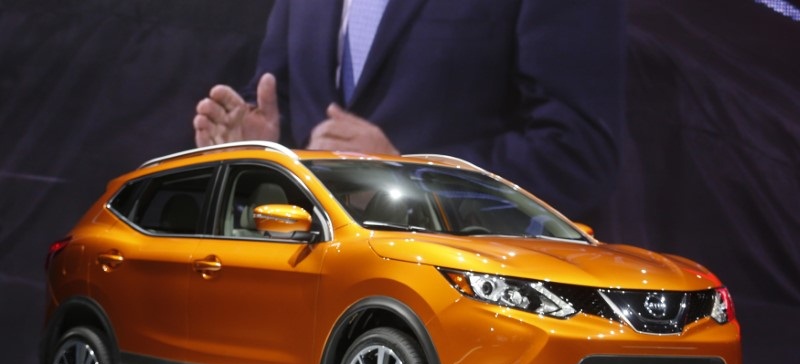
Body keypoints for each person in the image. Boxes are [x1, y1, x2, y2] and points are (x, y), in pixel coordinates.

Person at [194, 0, 625, 220]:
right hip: (310, 288)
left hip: (469, 307)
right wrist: (261, 143)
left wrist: (411, 180)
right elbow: (280, 95)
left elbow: (578, 152)